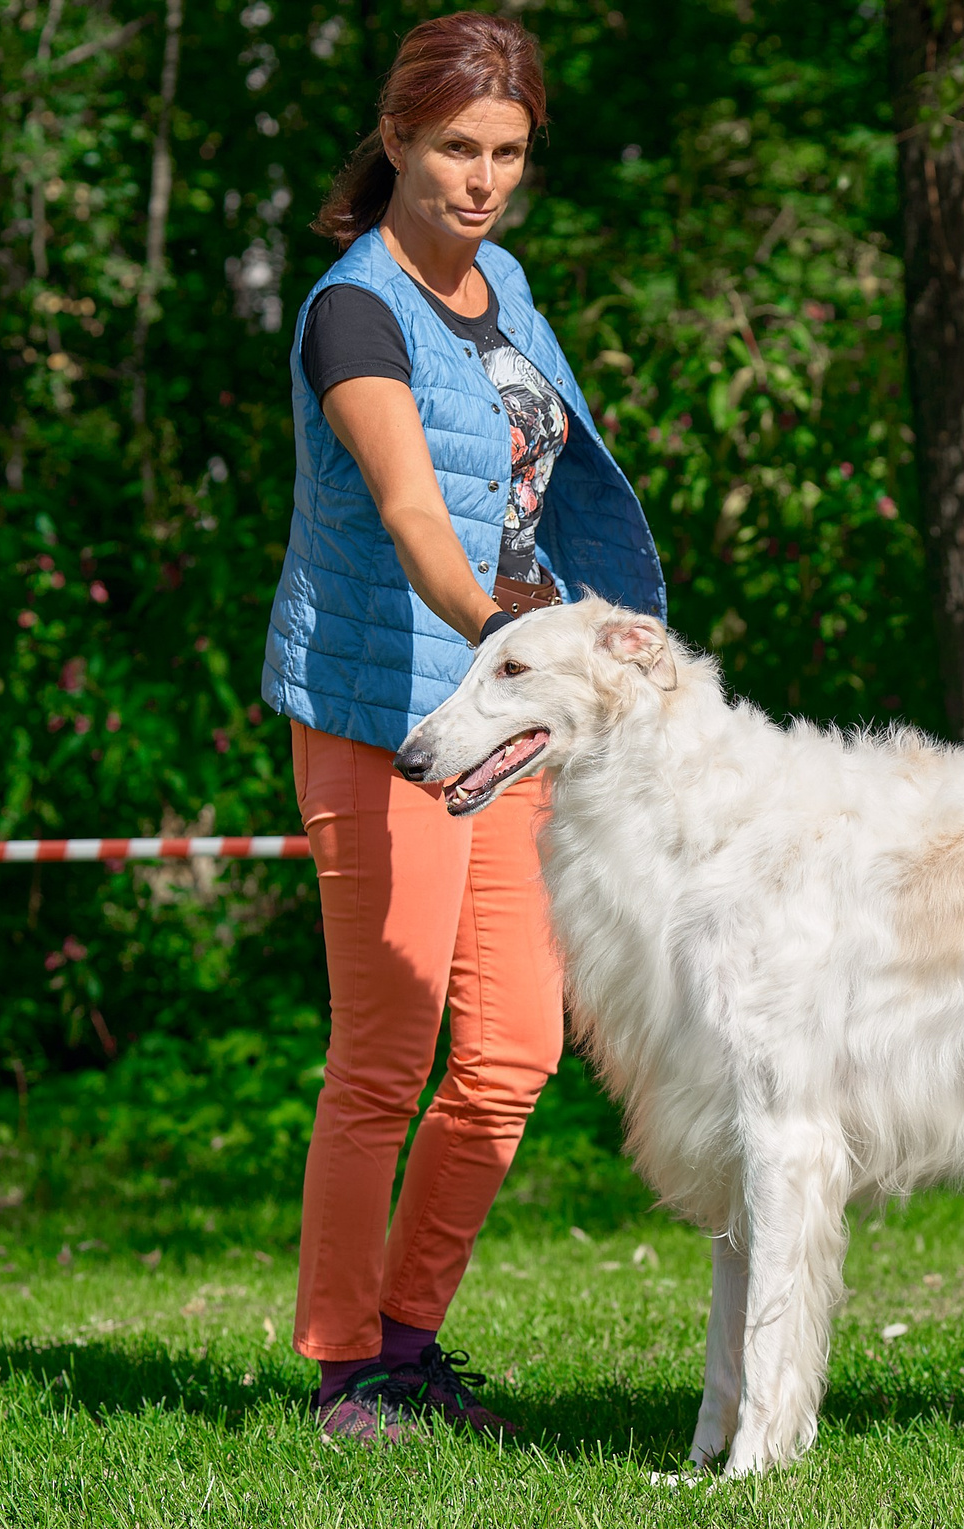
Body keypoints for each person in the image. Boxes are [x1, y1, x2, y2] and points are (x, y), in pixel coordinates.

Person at [259, 11, 664, 1446]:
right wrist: (498, 629)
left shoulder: (508, 286)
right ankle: (342, 1369)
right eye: (453, 150)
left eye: (506, 153)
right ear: (396, 142)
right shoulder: (353, 312)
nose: (481, 179)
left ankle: (412, 1345)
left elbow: (544, 486)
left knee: (511, 1056)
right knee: (388, 1051)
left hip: (506, 719)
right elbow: (419, 516)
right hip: (387, 713)